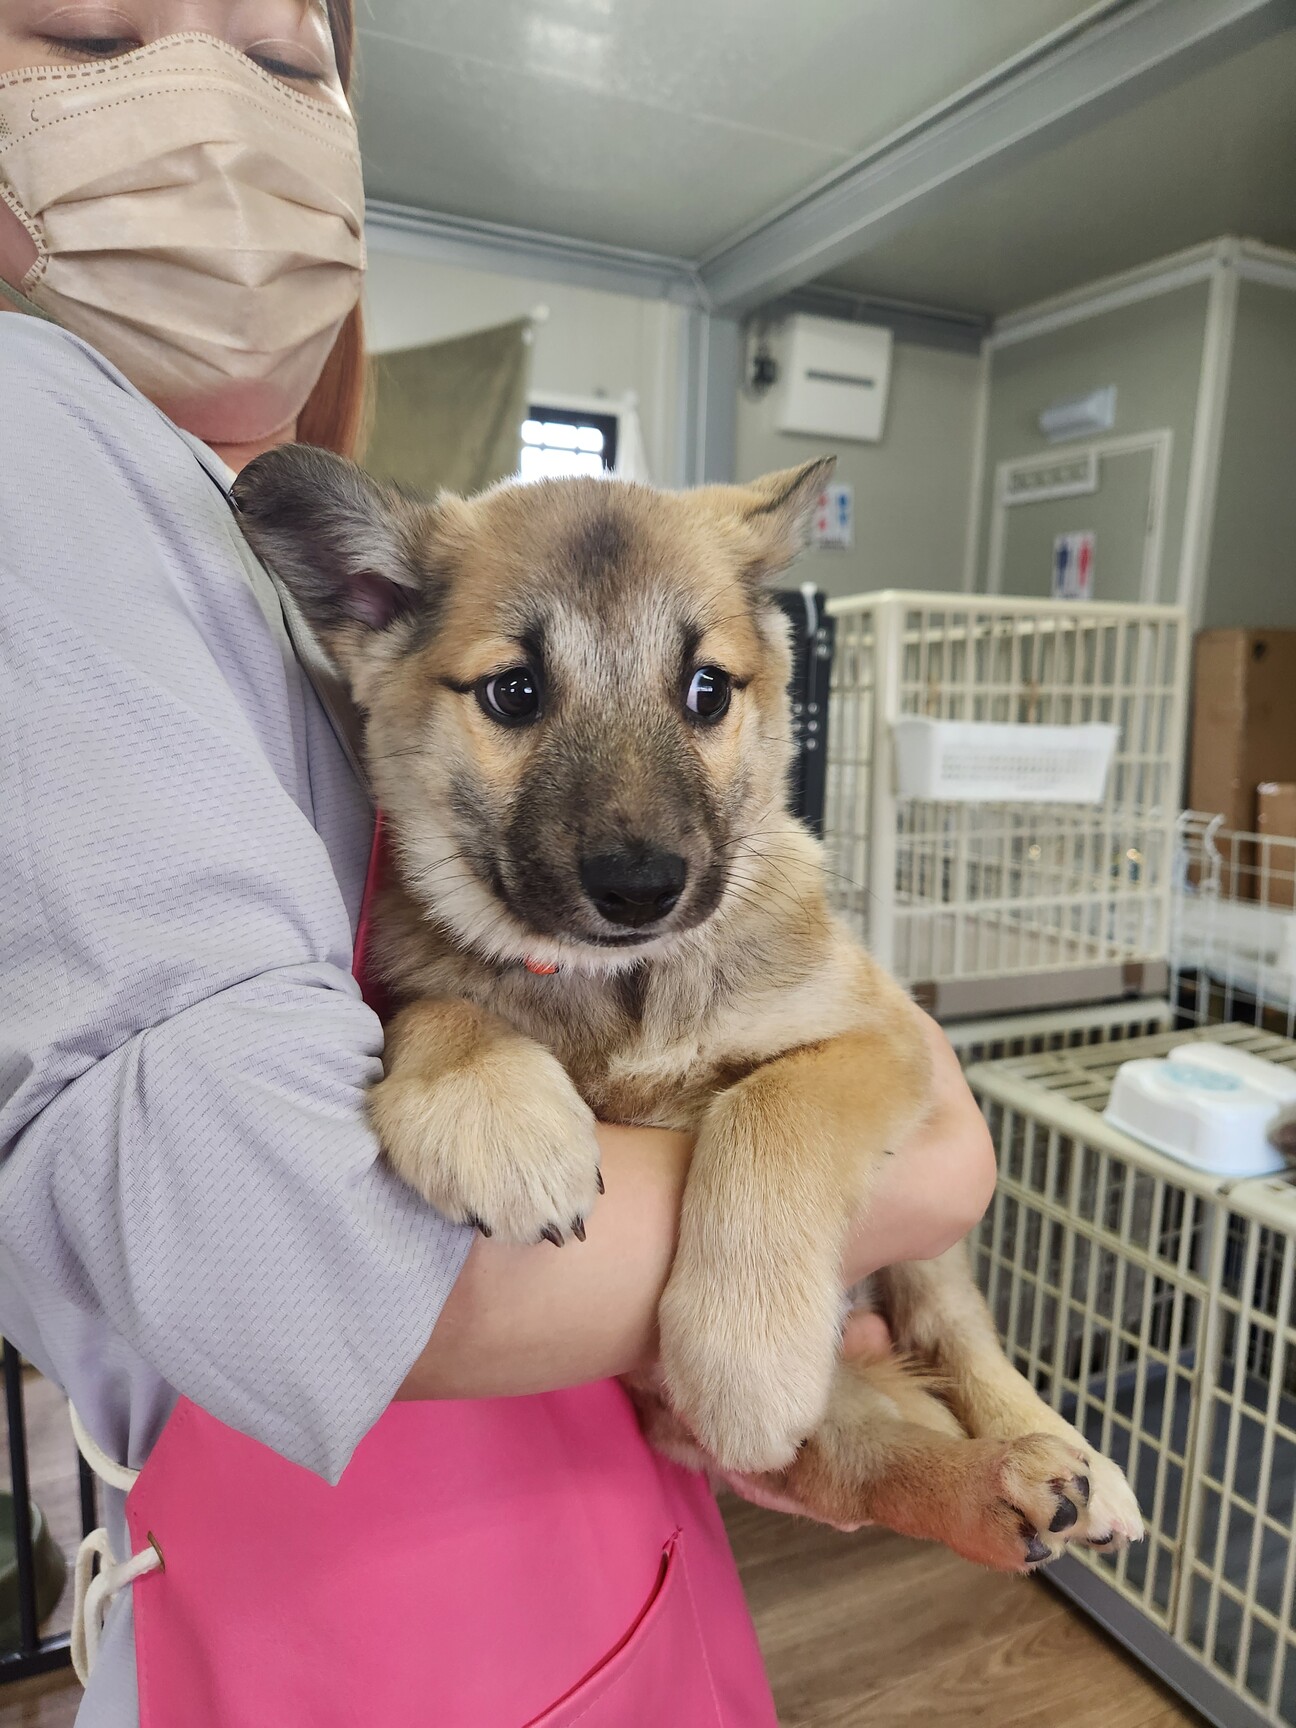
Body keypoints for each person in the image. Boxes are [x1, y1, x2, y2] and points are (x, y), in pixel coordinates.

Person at [0, 3, 998, 1722]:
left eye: (287, 61)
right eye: (92, 30)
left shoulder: (212, 520)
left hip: (604, 1528)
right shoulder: (31, 437)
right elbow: (287, 1232)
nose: (212, 114)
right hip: (375, 1595)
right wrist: (915, 1168)